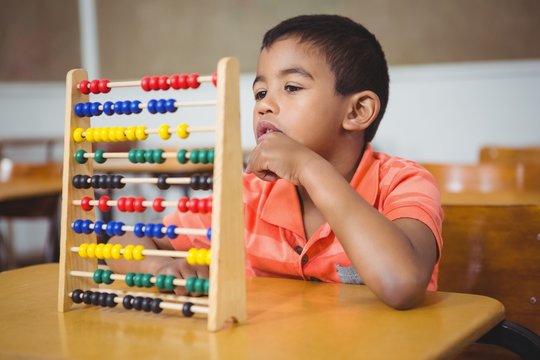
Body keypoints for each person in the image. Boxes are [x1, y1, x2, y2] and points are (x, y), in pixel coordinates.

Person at [108, 14, 443, 310]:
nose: (264, 105)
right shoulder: (248, 196)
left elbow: (401, 284)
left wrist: (310, 168)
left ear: (357, 111)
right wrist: (160, 268)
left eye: (292, 87)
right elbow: (120, 245)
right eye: (259, 93)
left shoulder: (402, 182)